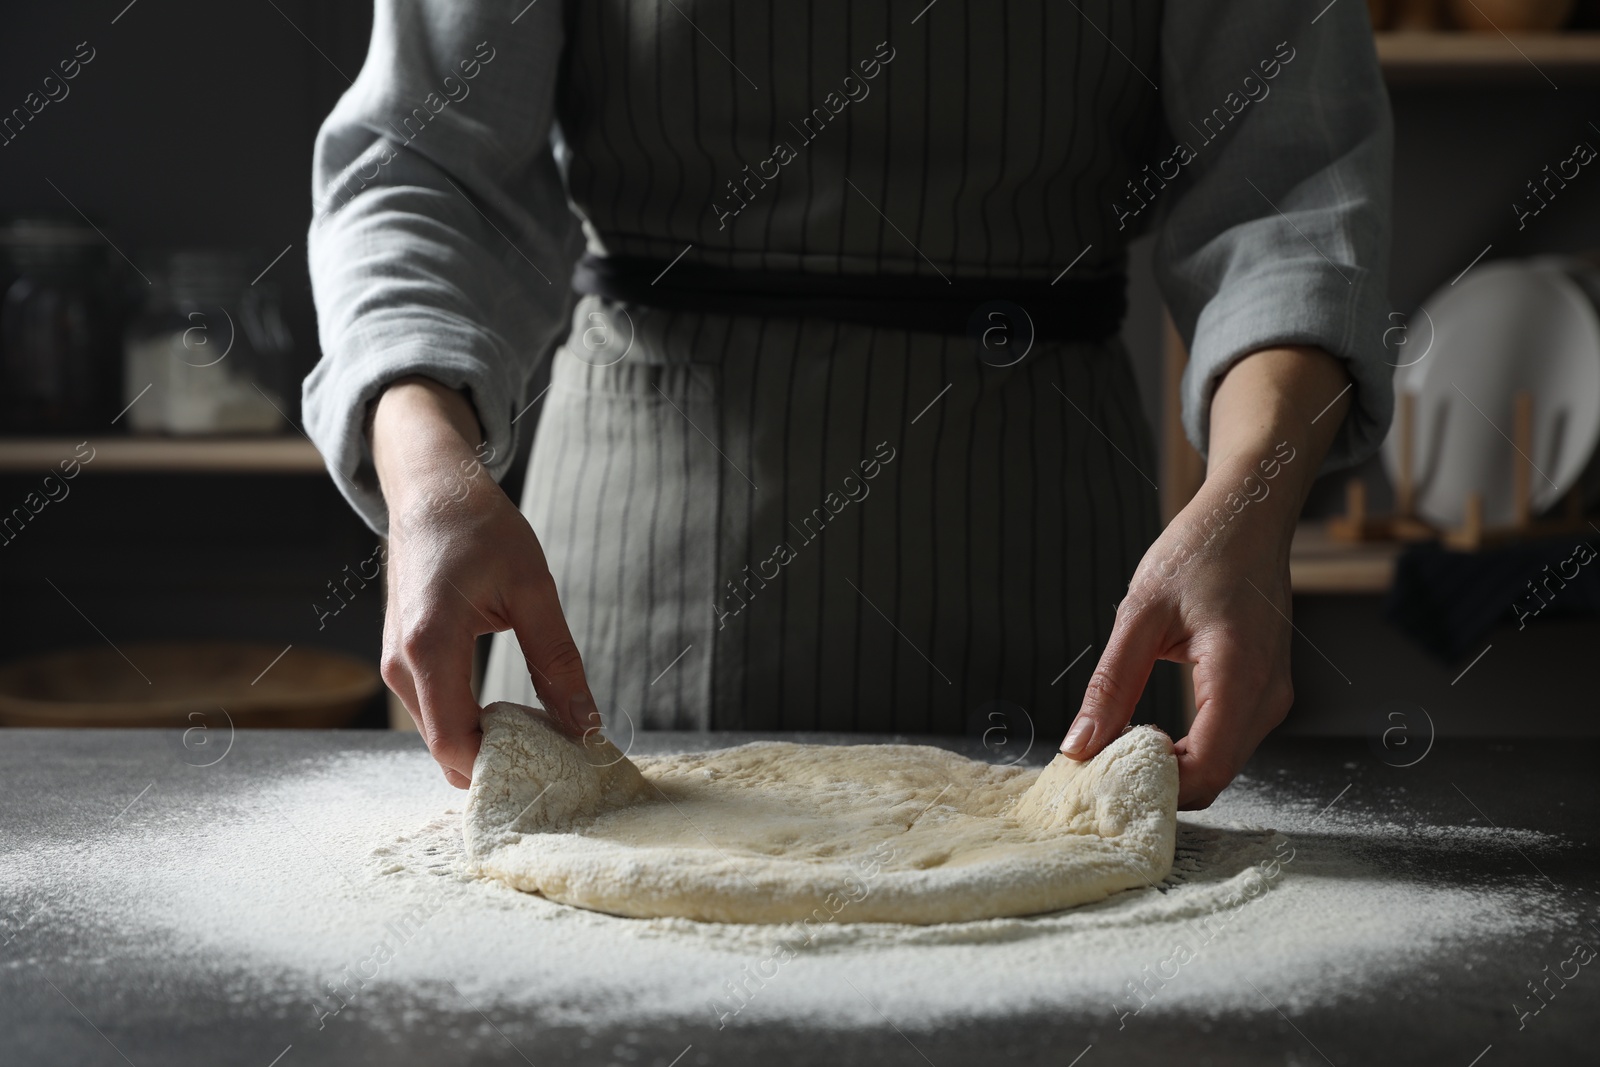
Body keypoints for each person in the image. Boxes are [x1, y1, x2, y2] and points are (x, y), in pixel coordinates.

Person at [304, 0, 1392, 808]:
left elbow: (1288, 184)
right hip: (631, 595)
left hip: (1049, 583)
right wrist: (429, 477)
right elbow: (423, 167)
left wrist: (1250, 498)